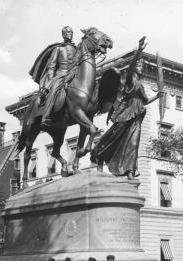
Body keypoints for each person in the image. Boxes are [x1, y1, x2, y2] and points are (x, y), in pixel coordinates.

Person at [90, 36, 162, 180]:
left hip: (137, 116)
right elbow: (130, 68)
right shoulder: (129, 81)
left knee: (133, 143)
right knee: (112, 138)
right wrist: (139, 51)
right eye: (140, 65)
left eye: (142, 65)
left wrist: (157, 97)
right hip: (126, 114)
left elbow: (144, 101)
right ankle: (99, 155)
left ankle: (130, 171)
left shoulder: (140, 85)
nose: (141, 68)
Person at [29, 26, 77, 128]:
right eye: (68, 32)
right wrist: (51, 80)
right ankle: (46, 116)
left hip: (74, 74)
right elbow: (51, 66)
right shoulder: (58, 48)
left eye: (71, 32)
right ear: (63, 34)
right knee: (54, 90)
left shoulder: (76, 49)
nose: (70, 34)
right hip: (61, 74)